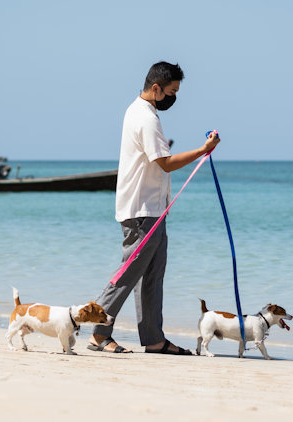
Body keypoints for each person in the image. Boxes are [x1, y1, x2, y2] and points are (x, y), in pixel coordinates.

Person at [88, 61, 220, 355]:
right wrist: (202, 150)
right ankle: (98, 332)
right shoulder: (145, 117)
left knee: (153, 275)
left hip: (152, 208)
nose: (173, 98)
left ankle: (153, 339)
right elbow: (165, 162)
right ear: (156, 88)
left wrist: (162, 202)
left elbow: (154, 167)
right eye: (171, 91)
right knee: (129, 273)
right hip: (140, 210)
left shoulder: (142, 112)